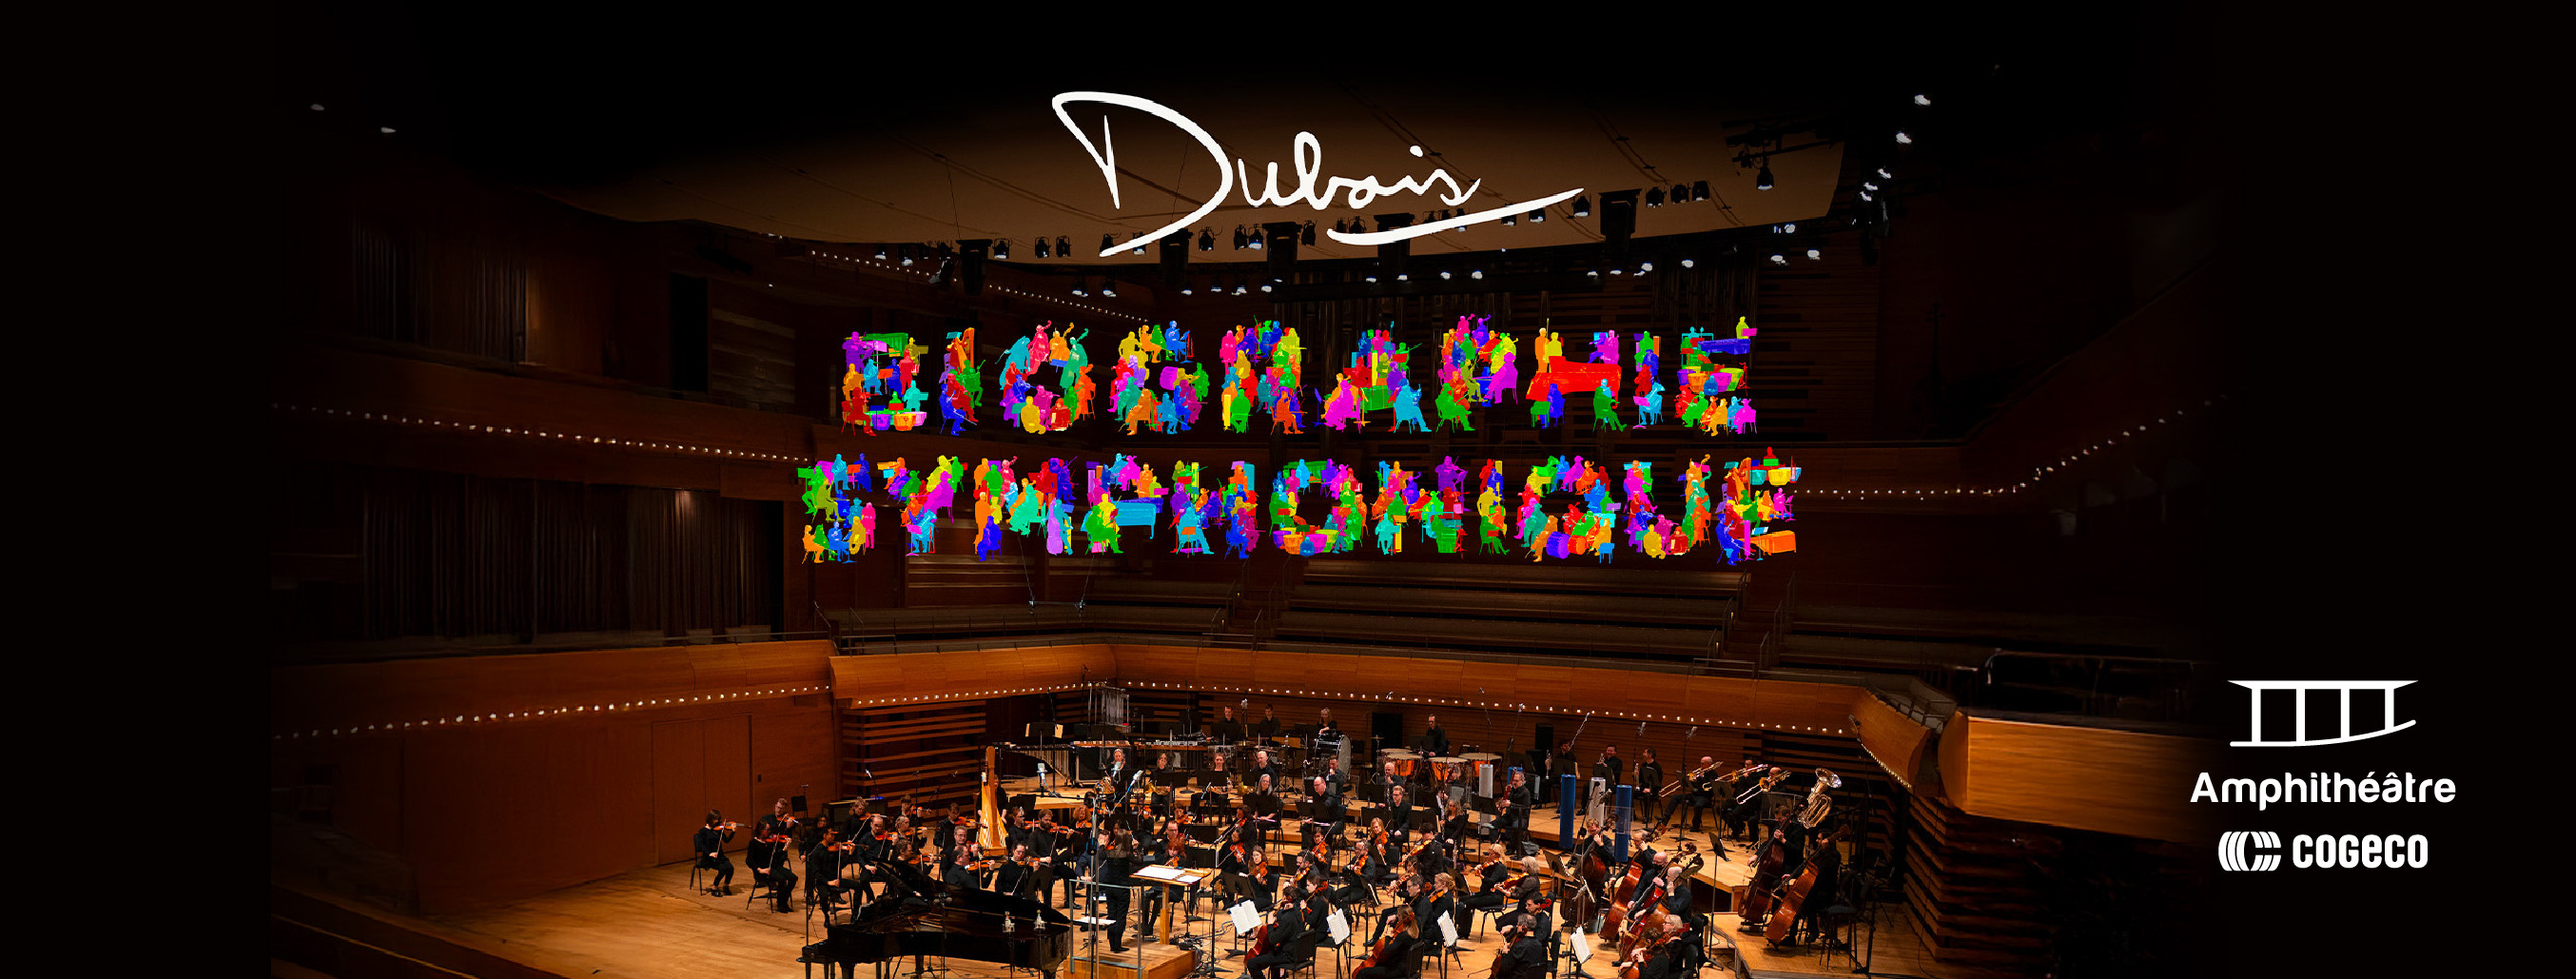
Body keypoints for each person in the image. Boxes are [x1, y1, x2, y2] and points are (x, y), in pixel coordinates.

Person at [1244, 887, 1310, 979]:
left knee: (1251, 963)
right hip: (1298, 952)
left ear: (1285, 898)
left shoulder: (1287, 918)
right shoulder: (1298, 913)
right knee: (1272, 952)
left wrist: (1270, 924)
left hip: (1288, 955)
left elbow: (1273, 940)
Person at [694, 811, 738, 895]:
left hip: (720, 856)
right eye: (715, 819)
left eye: (718, 819)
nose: (717, 821)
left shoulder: (718, 829)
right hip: (709, 857)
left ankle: (726, 886)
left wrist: (733, 831)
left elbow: (726, 840)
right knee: (723, 868)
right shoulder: (703, 831)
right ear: (710, 819)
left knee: (730, 868)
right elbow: (702, 846)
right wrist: (710, 853)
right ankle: (714, 887)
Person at [1633, 749, 1664, 828]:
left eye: (1645, 752)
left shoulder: (1657, 767)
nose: (1643, 754)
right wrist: (1636, 776)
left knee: (1647, 796)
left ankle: (1646, 817)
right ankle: (1632, 814)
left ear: (1650, 755)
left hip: (1654, 790)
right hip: (1643, 788)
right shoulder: (1643, 765)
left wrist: (1650, 789)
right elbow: (1640, 780)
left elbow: (1659, 782)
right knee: (1631, 793)